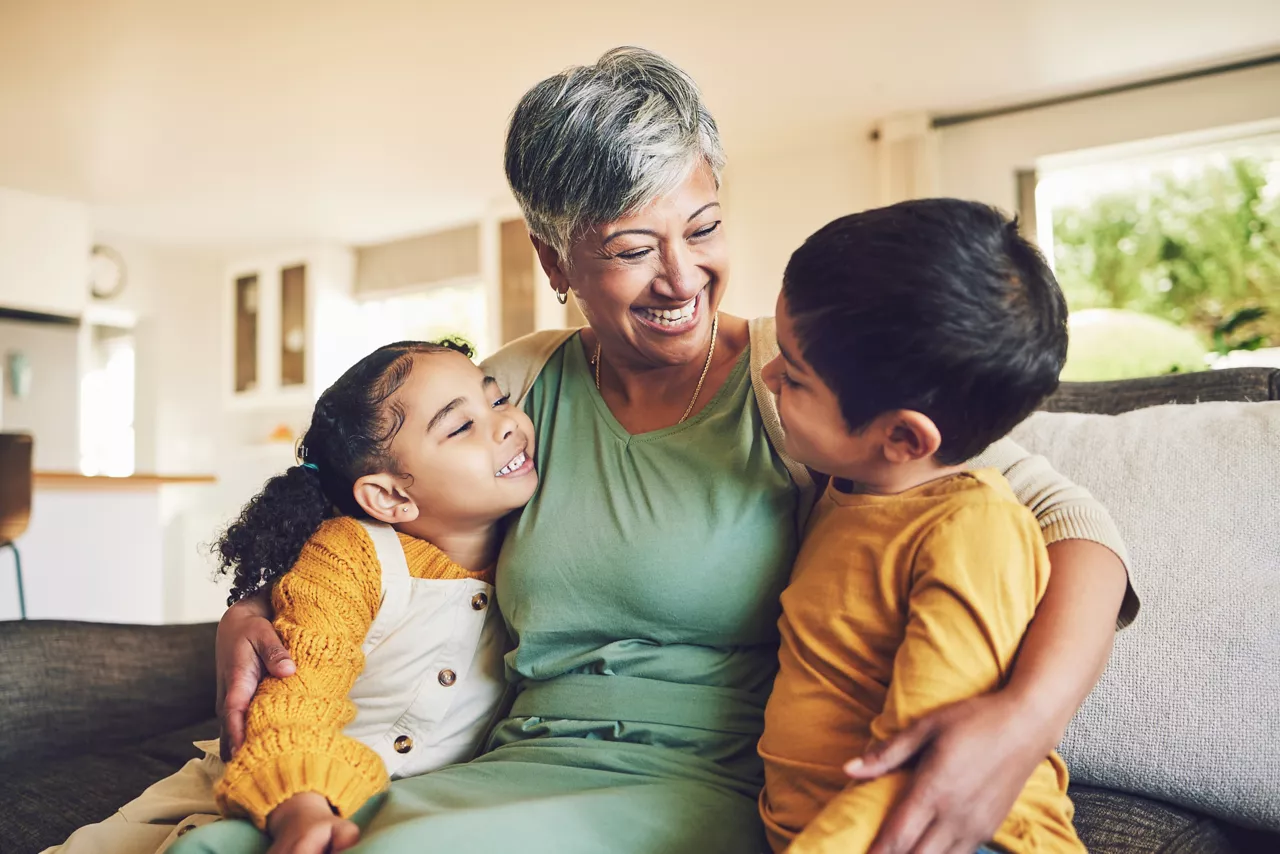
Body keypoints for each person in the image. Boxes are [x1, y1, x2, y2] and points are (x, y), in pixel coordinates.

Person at [183, 47, 1137, 854]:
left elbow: (1067, 523)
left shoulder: (802, 385)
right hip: (511, 764)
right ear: (556, 263)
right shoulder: (516, 388)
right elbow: (385, 504)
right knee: (225, 840)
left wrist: (1021, 724)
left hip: (692, 791)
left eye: (705, 227)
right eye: (634, 246)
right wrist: (256, 610)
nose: (682, 277)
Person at [50, 339, 537, 854]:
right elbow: (295, 701)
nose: (506, 424)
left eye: (499, 399)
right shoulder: (349, 556)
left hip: (392, 817)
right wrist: (301, 803)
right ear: (390, 496)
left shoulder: (535, 548)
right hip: (251, 797)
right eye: (461, 426)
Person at [758, 199, 1087, 853]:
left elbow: (921, 765)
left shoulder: (972, 531)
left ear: (904, 437)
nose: (766, 377)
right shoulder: (847, 489)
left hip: (951, 835)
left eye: (793, 378)